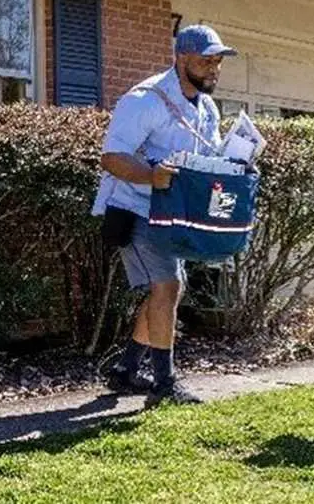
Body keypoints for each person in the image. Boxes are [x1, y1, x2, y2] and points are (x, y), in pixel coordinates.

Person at [92, 24, 237, 406]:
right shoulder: (144, 100)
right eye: (206, 61)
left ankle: (125, 371)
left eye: (218, 62)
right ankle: (165, 385)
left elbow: (210, 157)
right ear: (181, 58)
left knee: (169, 289)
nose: (214, 69)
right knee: (168, 286)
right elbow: (111, 158)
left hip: (172, 213)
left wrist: (239, 162)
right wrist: (151, 177)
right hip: (134, 207)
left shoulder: (206, 107)